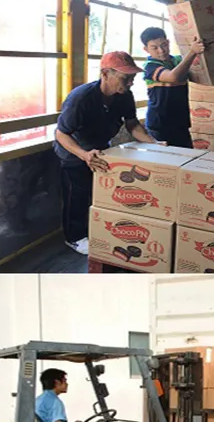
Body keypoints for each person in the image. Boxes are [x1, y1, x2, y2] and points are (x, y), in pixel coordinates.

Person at [54, 51, 157, 255]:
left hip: (101, 149)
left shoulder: (124, 95)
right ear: (105, 74)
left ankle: (99, 229)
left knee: (101, 192)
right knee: (77, 194)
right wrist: (84, 155)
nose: (130, 83)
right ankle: (74, 238)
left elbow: (132, 124)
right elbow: (61, 133)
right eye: (125, 78)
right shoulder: (81, 99)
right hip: (74, 151)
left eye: (132, 78)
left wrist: (154, 143)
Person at [140, 28, 205, 148]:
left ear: (168, 42)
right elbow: (173, 77)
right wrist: (192, 52)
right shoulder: (150, 66)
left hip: (180, 123)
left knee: (187, 156)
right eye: (154, 48)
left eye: (164, 45)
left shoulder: (177, 60)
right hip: (160, 125)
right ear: (146, 49)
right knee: (164, 159)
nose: (161, 50)